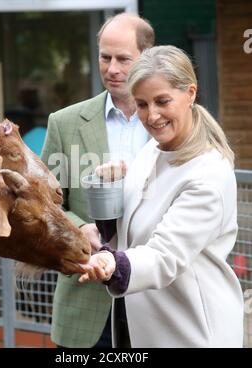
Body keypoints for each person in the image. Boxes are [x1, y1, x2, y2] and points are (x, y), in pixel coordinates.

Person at [79, 45, 244, 348]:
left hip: (191, 333)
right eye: (141, 104)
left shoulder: (208, 174)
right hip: (143, 326)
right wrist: (107, 198)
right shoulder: (152, 150)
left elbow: (164, 255)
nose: (151, 116)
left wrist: (112, 263)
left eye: (162, 101)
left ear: (190, 93)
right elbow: (131, 236)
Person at [41, 13, 155, 348]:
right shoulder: (64, 123)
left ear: (147, 58)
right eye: (105, 58)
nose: (112, 69)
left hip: (156, 300)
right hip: (86, 305)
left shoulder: (172, 124)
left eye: (123, 59)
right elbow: (44, 201)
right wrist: (78, 227)